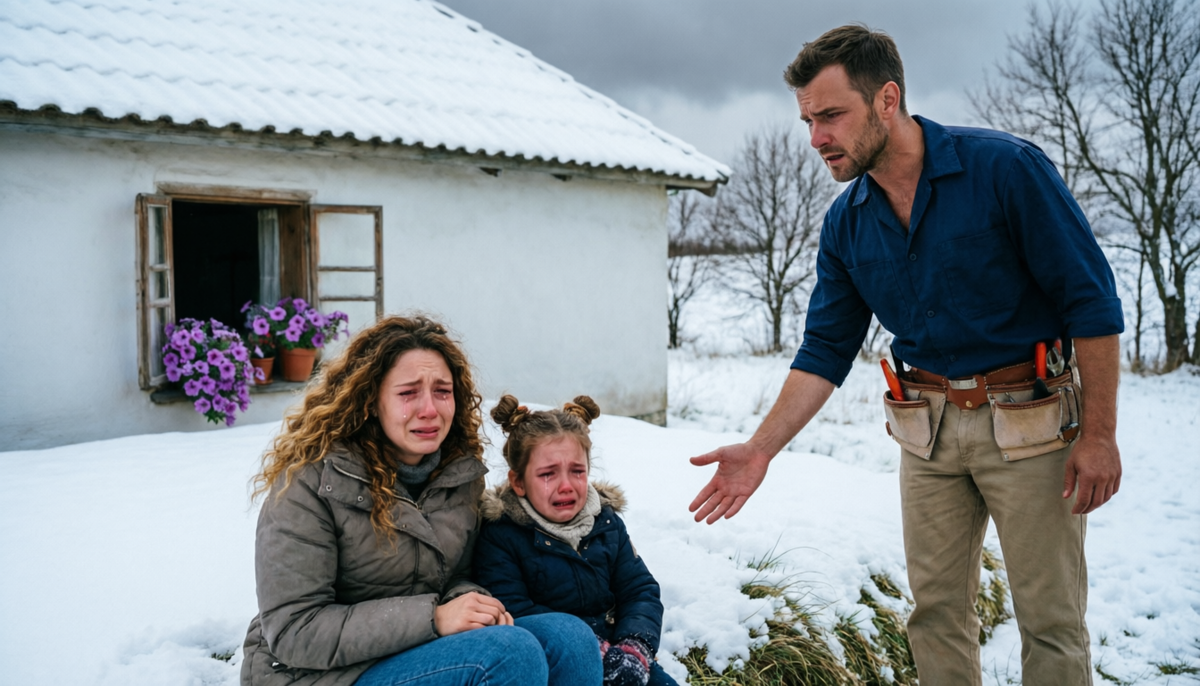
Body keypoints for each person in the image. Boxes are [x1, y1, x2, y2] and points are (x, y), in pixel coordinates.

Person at [688, 25, 1123, 686]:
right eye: (808, 121)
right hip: (927, 434)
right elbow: (826, 348)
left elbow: (1091, 304)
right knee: (935, 616)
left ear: (887, 99)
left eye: (832, 116)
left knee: (1050, 622)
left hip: (1032, 424)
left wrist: (1099, 435)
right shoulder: (846, 222)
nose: (817, 138)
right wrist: (760, 449)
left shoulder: (1006, 170)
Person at [240, 315, 602, 686]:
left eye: (442, 391)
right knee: (508, 653)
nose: (429, 409)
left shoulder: (458, 475)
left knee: (570, 639)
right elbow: (295, 629)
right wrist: (434, 618)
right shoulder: (312, 482)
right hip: (317, 675)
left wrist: (471, 602)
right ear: (371, 400)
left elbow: (459, 575)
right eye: (408, 393)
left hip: (416, 650)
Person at [473, 395, 678, 686]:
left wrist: (635, 647)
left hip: (620, 651)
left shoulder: (606, 524)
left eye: (577, 471)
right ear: (518, 482)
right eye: (548, 474)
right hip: (556, 660)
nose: (566, 486)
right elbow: (513, 610)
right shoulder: (502, 536)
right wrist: (596, 650)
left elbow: (638, 589)